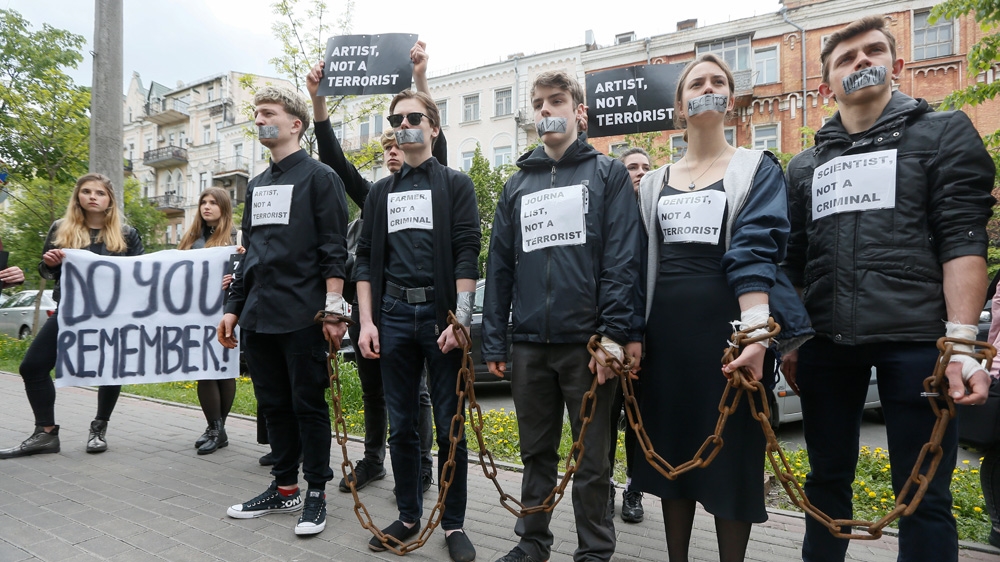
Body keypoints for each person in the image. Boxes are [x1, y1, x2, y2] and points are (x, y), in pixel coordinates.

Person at [782, 16, 996, 562]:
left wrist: (962, 344)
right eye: (845, 58)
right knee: (825, 482)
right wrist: (793, 342)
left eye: (873, 51)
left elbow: (963, 238)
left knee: (923, 492)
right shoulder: (806, 165)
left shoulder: (942, 133)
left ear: (897, 65)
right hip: (827, 342)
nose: (861, 62)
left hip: (918, 342)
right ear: (827, 80)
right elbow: (796, 262)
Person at [633, 54, 811, 562]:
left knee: (732, 458)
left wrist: (756, 336)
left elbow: (758, 246)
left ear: (729, 99)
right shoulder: (652, 182)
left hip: (730, 337)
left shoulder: (756, 167)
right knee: (673, 455)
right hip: (666, 339)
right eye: (696, 83)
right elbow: (637, 258)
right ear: (680, 103)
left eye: (717, 81)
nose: (707, 88)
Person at [481, 70, 644, 562]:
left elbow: (622, 258)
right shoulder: (517, 185)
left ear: (579, 113)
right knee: (535, 453)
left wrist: (615, 334)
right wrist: (494, 341)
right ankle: (532, 543)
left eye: (556, 101)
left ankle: (594, 551)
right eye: (538, 104)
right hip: (529, 343)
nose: (546, 110)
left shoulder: (608, 173)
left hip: (588, 347)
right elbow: (500, 265)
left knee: (592, 459)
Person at [306, 41, 440, 495]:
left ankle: (422, 464)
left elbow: (435, 138)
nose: (394, 149)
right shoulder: (376, 200)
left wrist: (421, 78)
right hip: (373, 312)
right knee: (373, 392)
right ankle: (373, 460)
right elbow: (338, 165)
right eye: (387, 146)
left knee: (417, 393)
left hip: (415, 312)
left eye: (401, 142)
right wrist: (318, 103)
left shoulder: (434, 186)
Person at [354, 88, 480, 562]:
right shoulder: (380, 192)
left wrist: (462, 319)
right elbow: (364, 259)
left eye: (413, 117)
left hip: (440, 318)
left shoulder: (455, 185)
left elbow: (468, 249)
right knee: (403, 426)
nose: (403, 124)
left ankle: (453, 525)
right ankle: (408, 516)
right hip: (390, 317)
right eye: (396, 119)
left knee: (449, 426)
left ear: (434, 127)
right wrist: (367, 321)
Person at [219, 85, 350, 537]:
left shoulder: (320, 178)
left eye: (268, 113)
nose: (259, 120)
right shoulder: (256, 186)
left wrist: (335, 309)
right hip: (259, 315)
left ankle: (316, 493)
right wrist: (233, 309)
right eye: (256, 114)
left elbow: (335, 249)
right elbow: (250, 252)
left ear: (295, 124)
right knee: (273, 405)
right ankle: (284, 487)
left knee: (307, 405)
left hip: (304, 315)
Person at [0, 173, 144, 458]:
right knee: (32, 367)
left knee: (110, 370)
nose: (93, 196)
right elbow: (45, 271)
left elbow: (142, 274)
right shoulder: (60, 228)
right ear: (78, 196)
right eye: (87, 191)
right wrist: (50, 264)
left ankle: (99, 428)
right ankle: (46, 433)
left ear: (109, 200)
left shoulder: (127, 234)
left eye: (100, 193)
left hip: (110, 316)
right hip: (69, 311)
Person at [607, 146, 652, 524]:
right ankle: (604, 485)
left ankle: (634, 488)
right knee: (605, 417)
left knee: (639, 420)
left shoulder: (656, 217)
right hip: (608, 333)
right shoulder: (609, 217)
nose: (639, 172)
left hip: (644, 339)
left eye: (645, 167)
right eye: (631, 167)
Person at [177, 187, 237, 455]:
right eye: (203, 202)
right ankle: (216, 429)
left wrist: (238, 274)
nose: (207, 206)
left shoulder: (236, 237)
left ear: (224, 207)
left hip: (226, 312)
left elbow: (247, 271)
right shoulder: (191, 239)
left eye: (213, 202)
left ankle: (216, 430)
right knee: (203, 369)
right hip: (195, 314)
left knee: (223, 370)